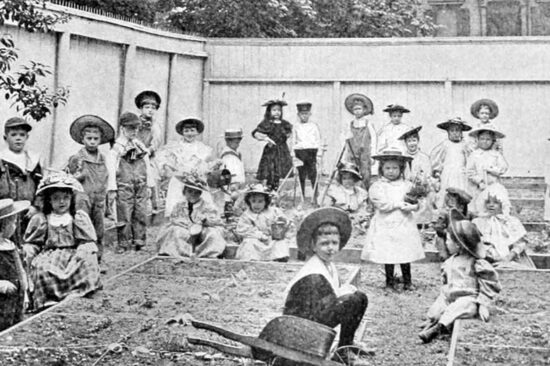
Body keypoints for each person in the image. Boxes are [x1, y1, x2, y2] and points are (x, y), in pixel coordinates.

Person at [284, 207, 368, 355]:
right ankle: (343, 350)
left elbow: (332, 298)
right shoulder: (314, 272)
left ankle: (346, 345)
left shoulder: (328, 265)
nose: (330, 248)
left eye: (334, 243)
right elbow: (323, 306)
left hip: (316, 316)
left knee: (359, 297)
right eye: (324, 244)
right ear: (313, 246)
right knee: (355, 300)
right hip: (300, 327)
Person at [419, 209, 501, 343]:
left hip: (468, 298)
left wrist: (483, 304)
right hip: (450, 296)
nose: (446, 243)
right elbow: (445, 282)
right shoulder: (449, 262)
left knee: (457, 308)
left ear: (459, 245)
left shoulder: (475, 262)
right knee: (436, 309)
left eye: (449, 240)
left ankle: (437, 329)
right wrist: (443, 295)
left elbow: (489, 283)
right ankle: (432, 322)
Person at [22, 172, 100, 310]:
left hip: (73, 252)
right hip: (51, 254)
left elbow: (86, 240)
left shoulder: (76, 217)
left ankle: (77, 292)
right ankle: (49, 298)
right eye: (56, 199)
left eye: (65, 198)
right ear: (49, 201)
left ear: (71, 199)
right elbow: (33, 243)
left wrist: (83, 250)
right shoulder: (42, 219)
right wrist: (30, 250)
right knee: (42, 268)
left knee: (87, 262)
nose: (62, 202)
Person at [361, 147, 425, 290]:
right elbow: (381, 204)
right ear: (381, 169)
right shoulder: (378, 186)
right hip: (386, 223)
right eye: (387, 168)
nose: (391, 171)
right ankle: (389, 282)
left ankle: (407, 281)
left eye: (395, 168)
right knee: (387, 253)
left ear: (401, 169)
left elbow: (418, 202)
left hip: (404, 223)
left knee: (404, 252)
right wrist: (398, 204)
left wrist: (413, 207)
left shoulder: (407, 185)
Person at [66, 115, 114, 263]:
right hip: (83, 197)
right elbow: (70, 178)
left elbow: (106, 177)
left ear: (100, 140)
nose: (92, 142)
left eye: (95, 138)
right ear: (82, 139)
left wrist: (107, 197)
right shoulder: (77, 157)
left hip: (99, 198)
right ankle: (83, 260)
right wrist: (79, 176)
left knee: (99, 229)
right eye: (89, 138)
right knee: (83, 227)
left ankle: (98, 260)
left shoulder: (102, 158)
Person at [156, 118, 217, 217]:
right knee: (178, 207)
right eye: (186, 131)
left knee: (201, 208)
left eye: (192, 130)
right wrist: (171, 170)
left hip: (197, 180)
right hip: (179, 180)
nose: (189, 134)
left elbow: (206, 165)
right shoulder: (175, 147)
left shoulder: (202, 148)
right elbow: (164, 160)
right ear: (182, 132)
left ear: (197, 132)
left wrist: (206, 170)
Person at [156, 173, 226, 258]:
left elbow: (216, 221)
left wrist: (205, 221)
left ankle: (206, 254)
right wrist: (184, 224)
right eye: (190, 191)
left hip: (202, 231)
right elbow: (174, 218)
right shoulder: (179, 205)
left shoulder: (207, 206)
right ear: (184, 192)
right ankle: (180, 253)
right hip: (185, 230)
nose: (193, 194)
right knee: (173, 231)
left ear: (200, 194)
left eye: (196, 192)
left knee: (213, 234)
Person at [107, 112, 150, 252]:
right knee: (124, 213)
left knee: (141, 211)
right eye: (131, 128)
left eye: (136, 128)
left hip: (140, 183)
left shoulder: (138, 145)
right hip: (124, 184)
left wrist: (149, 184)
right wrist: (112, 188)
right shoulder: (117, 148)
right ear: (122, 128)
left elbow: (146, 164)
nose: (134, 131)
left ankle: (139, 240)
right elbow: (111, 168)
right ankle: (124, 242)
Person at [0, 117, 43, 240]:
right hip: (6, 212)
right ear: (5, 138)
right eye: (13, 135)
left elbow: (41, 186)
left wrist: (36, 206)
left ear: (27, 137)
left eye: (22, 135)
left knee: (26, 242)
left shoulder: (32, 160)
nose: (18, 138)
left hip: (28, 211)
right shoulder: (1, 160)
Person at [472, 186, 529, 268]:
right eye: (488, 202)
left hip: (508, 258)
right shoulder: (479, 222)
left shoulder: (511, 222)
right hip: (485, 259)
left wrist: (508, 258)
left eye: (495, 202)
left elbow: (520, 243)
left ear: (502, 204)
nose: (491, 205)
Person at [235, 184, 290, 262]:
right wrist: (260, 235)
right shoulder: (247, 215)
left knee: (280, 242)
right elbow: (243, 229)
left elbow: (284, 222)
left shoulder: (273, 211)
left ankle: (279, 258)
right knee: (249, 243)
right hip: (256, 240)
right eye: (253, 201)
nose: (256, 205)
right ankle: (253, 259)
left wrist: (281, 221)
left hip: (271, 239)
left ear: (266, 202)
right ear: (249, 202)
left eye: (260, 201)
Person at [0, 199, 30, 330]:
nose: (15, 226)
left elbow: (20, 270)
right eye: (13, 223)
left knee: (15, 323)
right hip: (2, 298)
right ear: (3, 225)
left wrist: (25, 292)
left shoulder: (10, 246)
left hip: (16, 297)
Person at [430, 117, 472, 209]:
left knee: (461, 195)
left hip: (461, 175)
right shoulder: (445, 145)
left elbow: (471, 160)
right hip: (447, 175)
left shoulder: (465, 145)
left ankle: (461, 213)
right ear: (448, 132)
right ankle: (444, 214)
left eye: (457, 130)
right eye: (452, 130)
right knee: (446, 196)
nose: (455, 133)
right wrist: (437, 174)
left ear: (461, 132)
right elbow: (437, 161)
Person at [466, 124, 508, 216]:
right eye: (482, 139)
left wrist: (491, 169)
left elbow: (503, 168)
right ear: (477, 140)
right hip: (478, 188)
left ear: (493, 141)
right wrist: (479, 181)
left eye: (488, 139)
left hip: (493, 186)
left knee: (492, 207)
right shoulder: (474, 155)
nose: (485, 142)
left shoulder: (496, 154)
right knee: (478, 208)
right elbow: (470, 172)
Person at [252, 98, 293, 191]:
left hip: (282, 150)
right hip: (271, 150)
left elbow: (289, 134)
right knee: (271, 169)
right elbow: (255, 133)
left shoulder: (285, 124)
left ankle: (276, 188)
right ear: (269, 111)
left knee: (278, 170)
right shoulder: (267, 123)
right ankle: (269, 188)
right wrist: (266, 138)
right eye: (274, 110)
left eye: (279, 110)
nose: (277, 112)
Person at [399, 125, 435, 228]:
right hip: (406, 187)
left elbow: (427, 175)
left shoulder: (424, 158)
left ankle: (423, 224)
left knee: (425, 199)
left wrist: (420, 181)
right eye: (409, 141)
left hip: (420, 188)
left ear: (418, 141)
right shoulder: (402, 158)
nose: (412, 143)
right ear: (405, 143)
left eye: (414, 140)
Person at [135, 90, 163, 212]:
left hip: (149, 156)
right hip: (134, 156)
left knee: (153, 177)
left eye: (153, 108)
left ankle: (154, 207)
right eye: (147, 107)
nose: (150, 110)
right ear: (141, 109)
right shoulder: (135, 123)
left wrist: (149, 150)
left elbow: (157, 141)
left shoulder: (156, 125)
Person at [343, 93, 377, 189]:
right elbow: (346, 140)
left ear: (364, 110)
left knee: (365, 173)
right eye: (355, 110)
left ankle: (365, 193)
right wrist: (346, 154)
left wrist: (373, 154)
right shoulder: (350, 124)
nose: (357, 112)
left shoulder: (368, 124)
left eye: (359, 109)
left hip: (365, 153)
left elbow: (374, 138)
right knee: (353, 172)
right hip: (352, 153)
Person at [433, 187, 474, 261]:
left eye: (454, 200)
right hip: (448, 240)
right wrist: (447, 231)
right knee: (444, 254)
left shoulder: (469, 214)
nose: (451, 201)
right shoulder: (445, 213)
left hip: (464, 240)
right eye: (449, 199)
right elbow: (438, 228)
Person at [291, 102, 322, 199]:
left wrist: (319, 154)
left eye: (306, 114)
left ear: (309, 114)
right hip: (300, 152)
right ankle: (302, 195)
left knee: (313, 173)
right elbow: (293, 140)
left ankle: (315, 194)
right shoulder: (296, 126)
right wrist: (293, 155)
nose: (304, 116)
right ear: (298, 115)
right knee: (301, 174)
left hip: (312, 151)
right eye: (302, 114)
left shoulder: (314, 126)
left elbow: (318, 140)